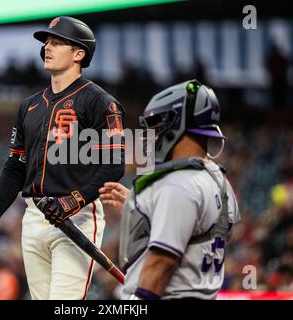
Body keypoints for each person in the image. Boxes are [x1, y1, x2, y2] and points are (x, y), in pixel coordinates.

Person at [0, 16, 125, 300]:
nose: (48, 47)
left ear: (79, 53)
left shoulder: (100, 101)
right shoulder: (29, 105)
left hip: (77, 217)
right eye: (47, 42)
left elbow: (113, 165)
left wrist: (76, 199)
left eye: (57, 42)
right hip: (34, 216)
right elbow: (15, 166)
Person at [99, 80, 240, 300]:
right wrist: (146, 211)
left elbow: (161, 262)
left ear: (177, 125)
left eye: (158, 123)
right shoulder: (220, 182)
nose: (153, 133)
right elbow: (193, 236)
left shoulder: (178, 186)